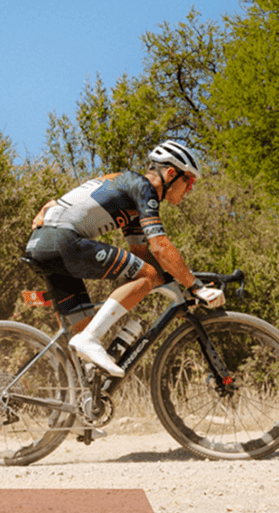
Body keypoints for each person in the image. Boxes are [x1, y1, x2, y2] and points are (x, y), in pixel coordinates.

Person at [23, 138, 222, 377]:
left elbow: (142, 254)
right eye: (189, 181)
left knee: (87, 345)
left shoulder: (130, 193)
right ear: (171, 173)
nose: (190, 189)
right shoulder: (144, 187)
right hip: (62, 241)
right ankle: (90, 338)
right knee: (144, 278)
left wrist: (178, 287)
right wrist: (196, 286)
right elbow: (159, 247)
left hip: (42, 244)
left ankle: (81, 391)